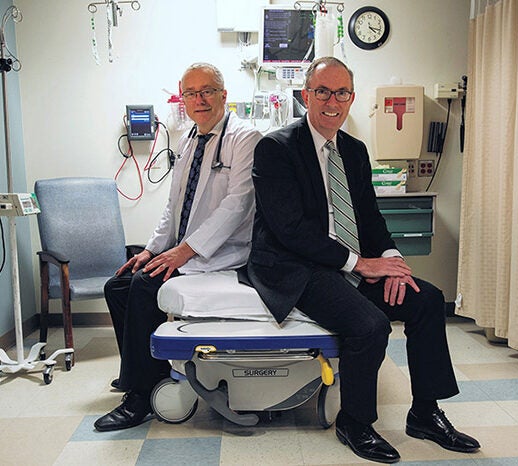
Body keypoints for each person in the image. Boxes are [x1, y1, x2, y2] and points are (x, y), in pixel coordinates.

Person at [245, 57, 480, 464]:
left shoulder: (353, 151)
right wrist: (360, 265)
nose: (331, 101)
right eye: (322, 91)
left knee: (427, 299)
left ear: (351, 98)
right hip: (295, 265)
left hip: (348, 257)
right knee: (368, 325)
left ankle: (425, 412)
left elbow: (369, 217)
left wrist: (392, 259)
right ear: (305, 96)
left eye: (341, 92)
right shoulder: (275, 148)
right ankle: (354, 421)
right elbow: (291, 231)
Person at [95, 62, 262, 432]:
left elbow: (238, 205)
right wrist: (153, 250)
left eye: (207, 91)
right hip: (186, 249)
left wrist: (184, 251)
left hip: (220, 254)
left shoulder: (245, 137)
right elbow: (175, 205)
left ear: (223, 95)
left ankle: (138, 398)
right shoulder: (189, 139)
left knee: (143, 287)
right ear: (182, 98)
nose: (199, 99)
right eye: (191, 93)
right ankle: (146, 375)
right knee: (118, 285)